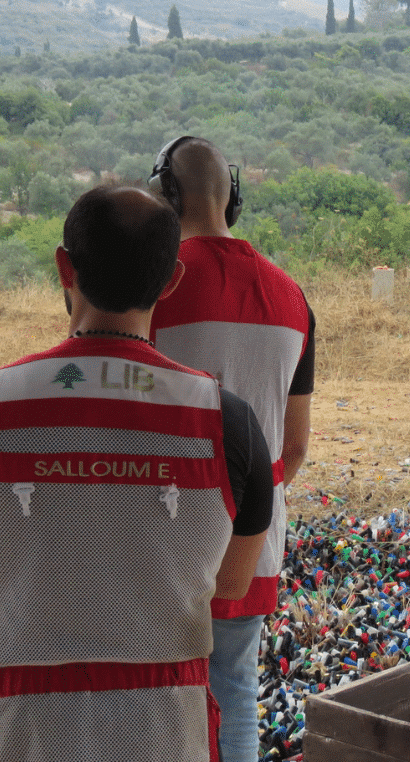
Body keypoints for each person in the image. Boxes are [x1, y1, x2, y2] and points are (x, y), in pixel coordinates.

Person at [0, 185, 273, 762]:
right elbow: (229, 586)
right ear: (171, 281)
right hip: (165, 730)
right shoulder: (228, 423)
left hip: (20, 727)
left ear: (63, 268)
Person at [148, 136, 315, 762]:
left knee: (157, 698)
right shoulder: (293, 297)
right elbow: (294, 447)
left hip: (164, 531)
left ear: (168, 197)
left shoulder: (155, 287)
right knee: (237, 692)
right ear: (232, 197)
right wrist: (247, 504)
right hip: (254, 534)